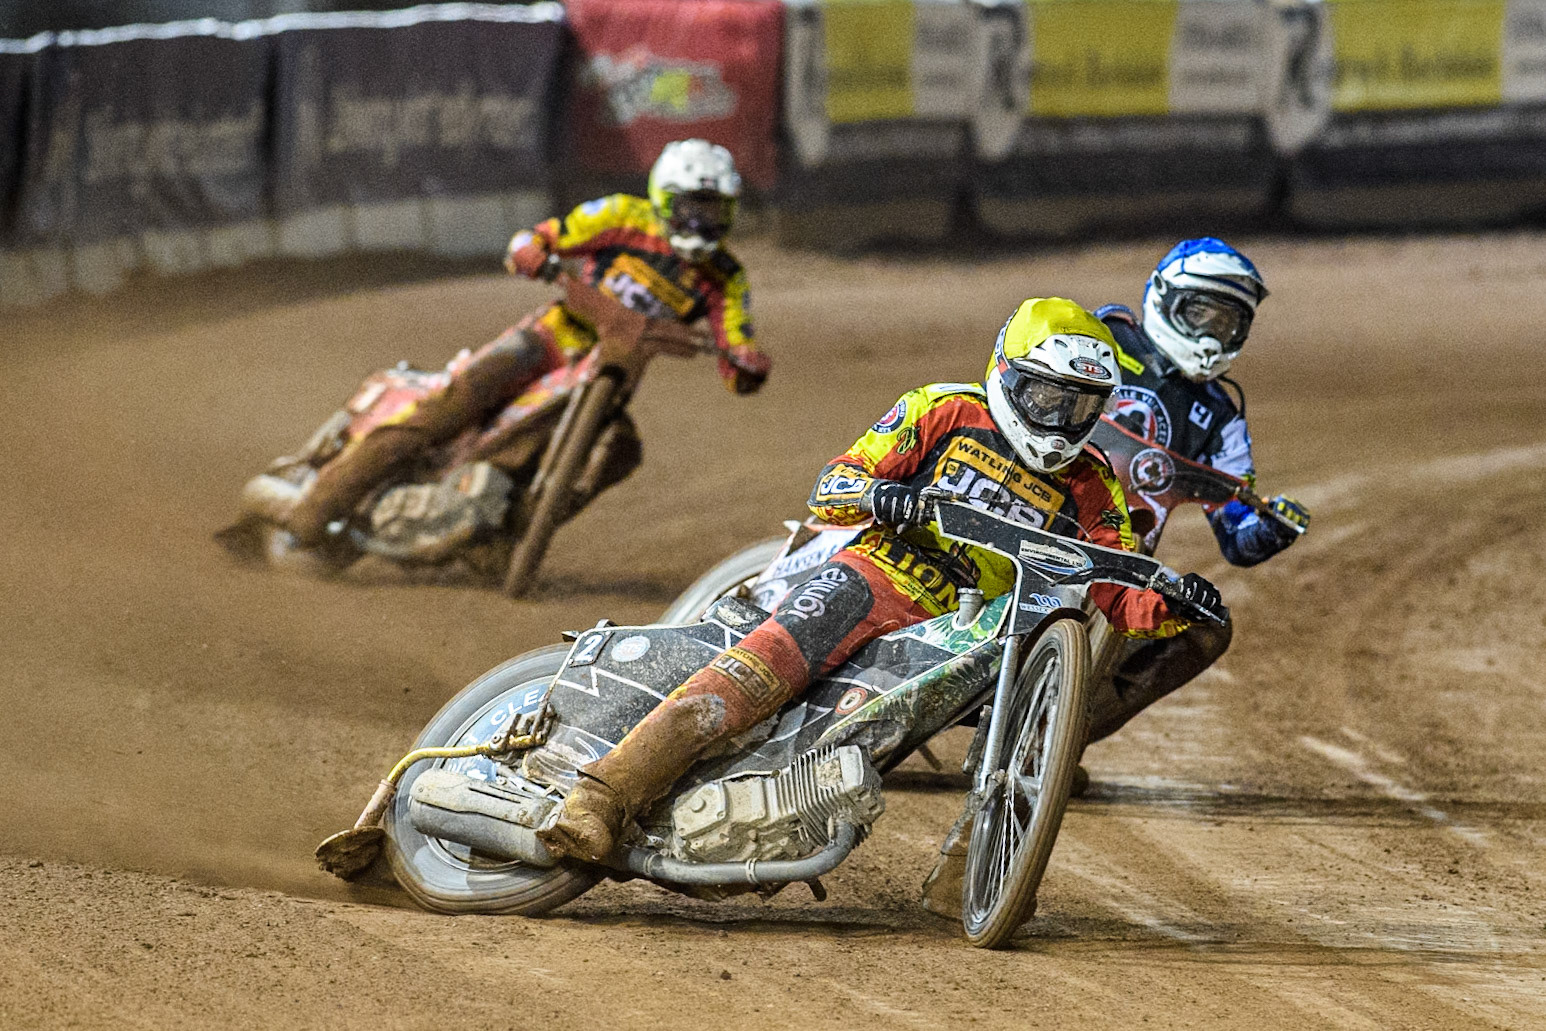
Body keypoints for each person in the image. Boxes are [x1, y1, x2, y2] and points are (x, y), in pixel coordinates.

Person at [534, 297, 1228, 873]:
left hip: (967, 625)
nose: (1058, 418)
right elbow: (834, 484)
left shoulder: (1093, 483)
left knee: (886, 735)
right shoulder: (944, 411)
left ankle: (964, 864)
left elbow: (1115, 590)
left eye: (1079, 406)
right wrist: (883, 498)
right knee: (766, 664)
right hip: (877, 574)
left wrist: (1171, 606)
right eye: (1045, 394)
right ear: (1007, 376)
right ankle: (599, 795)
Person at [282, 138, 770, 548]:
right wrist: (534, 253)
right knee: (460, 397)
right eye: (694, 208)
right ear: (666, 199)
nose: (705, 222)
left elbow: (736, 350)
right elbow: (543, 238)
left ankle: (508, 539)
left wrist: (746, 363)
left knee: (619, 452)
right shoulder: (623, 216)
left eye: (716, 210)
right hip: (552, 338)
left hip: (613, 375)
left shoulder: (726, 278)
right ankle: (316, 506)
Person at [1085, 237, 1310, 745]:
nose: (1212, 335)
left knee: (1206, 625)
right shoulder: (1099, 337)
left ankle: (1054, 741)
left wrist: (1270, 527)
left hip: (1117, 561)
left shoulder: (1222, 420)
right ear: (1164, 297)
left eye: (1227, 323)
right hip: (1024, 518)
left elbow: (1238, 535)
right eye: (1202, 314)